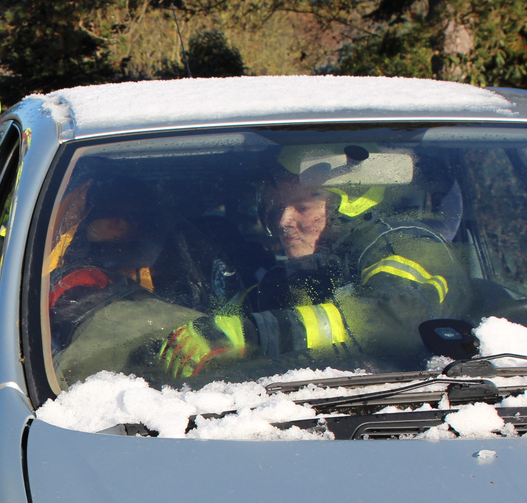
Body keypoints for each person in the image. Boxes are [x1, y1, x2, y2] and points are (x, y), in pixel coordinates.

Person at [159, 145, 474, 377]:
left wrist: (254, 333)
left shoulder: (404, 245)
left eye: (303, 207)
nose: (283, 221)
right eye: (277, 206)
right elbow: (239, 324)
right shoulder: (304, 274)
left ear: (349, 204)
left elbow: (396, 320)